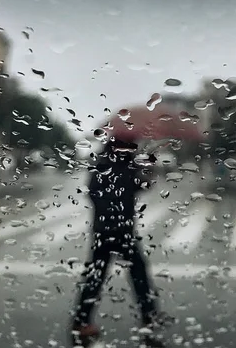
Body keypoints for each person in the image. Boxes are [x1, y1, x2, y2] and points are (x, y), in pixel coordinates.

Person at [71, 138, 172, 347]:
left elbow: (91, 192)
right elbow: (141, 186)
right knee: (139, 274)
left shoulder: (101, 162)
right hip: (123, 231)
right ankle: (150, 317)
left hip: (102, 230)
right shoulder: (127, 164)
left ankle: (81, 321)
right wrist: (149, 169)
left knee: (96, 276)